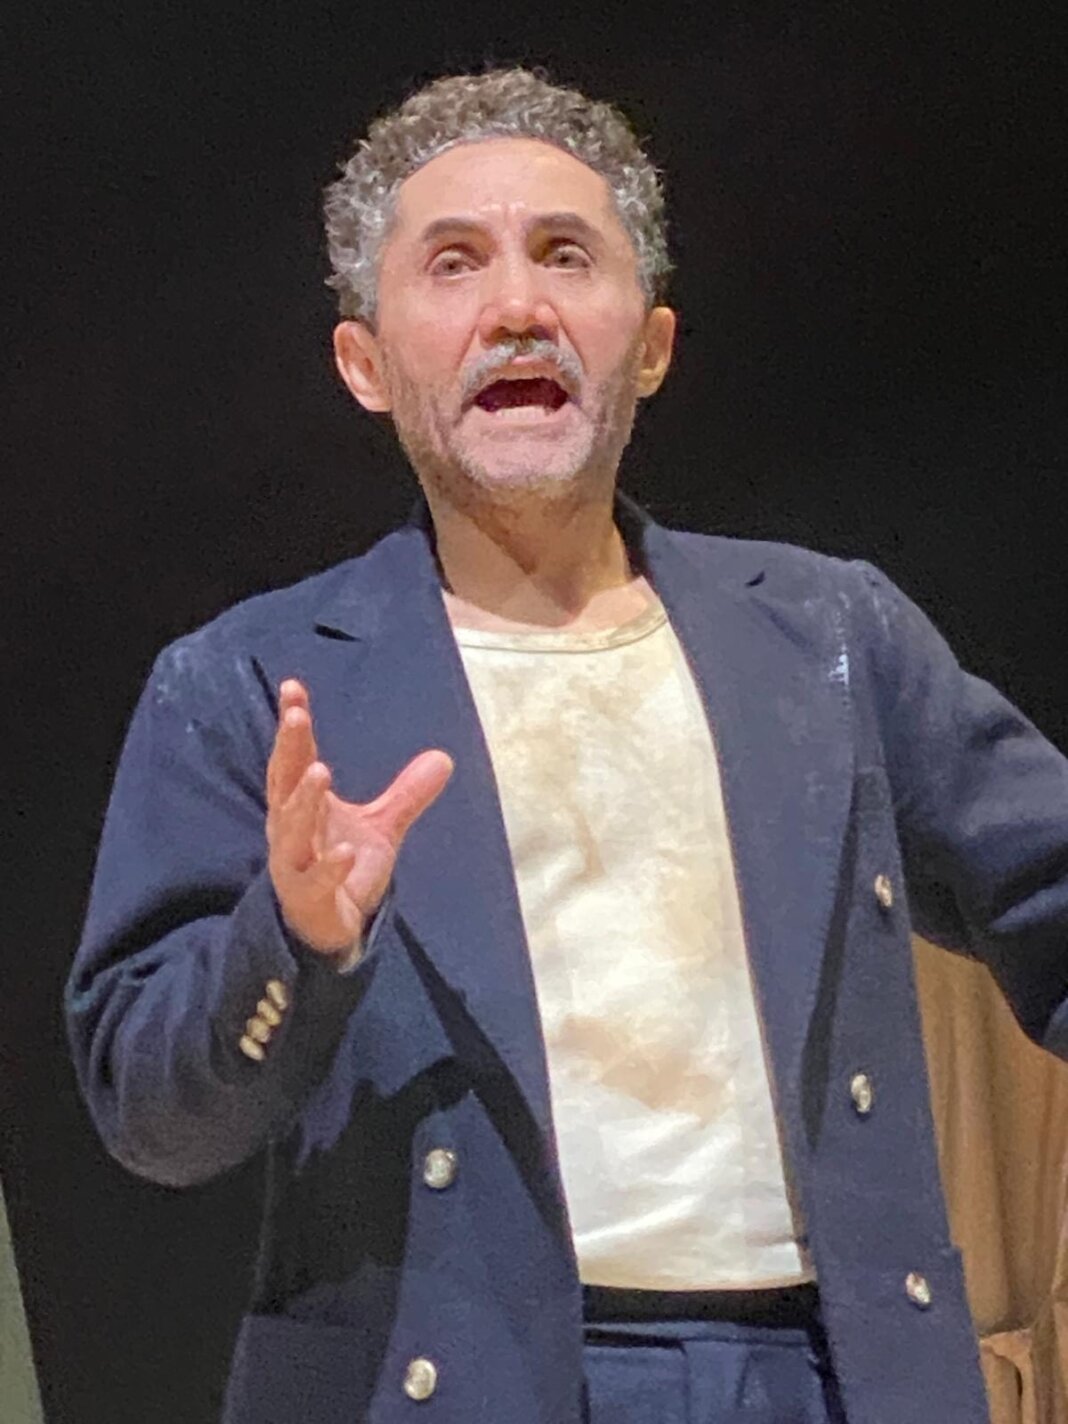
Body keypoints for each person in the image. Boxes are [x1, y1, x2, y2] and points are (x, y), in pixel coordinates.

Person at [66, 66, 1068, 1424]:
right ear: (366, 363)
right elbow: (151, 1112)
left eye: (564, 253)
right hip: (456, 1382)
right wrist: (291, 943)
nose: (518, 306)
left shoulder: (829, 634)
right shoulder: (251, 683)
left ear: (649, 345)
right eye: (454, 263)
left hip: (826, 1375)